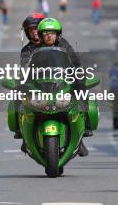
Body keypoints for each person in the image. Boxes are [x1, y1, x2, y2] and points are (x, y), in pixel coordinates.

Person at [37, 18, 89, 156]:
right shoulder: (34, 49)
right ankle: (23, 135)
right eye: (46, 32)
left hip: (62, 83)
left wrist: (79, 75)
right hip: (40, 85)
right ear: (41, 34)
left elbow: (75, 63)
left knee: (81, 91)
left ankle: (84, 131)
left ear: (58, 34)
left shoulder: (64, 45)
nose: (49, 35)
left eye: (52, 32)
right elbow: (24, 66)